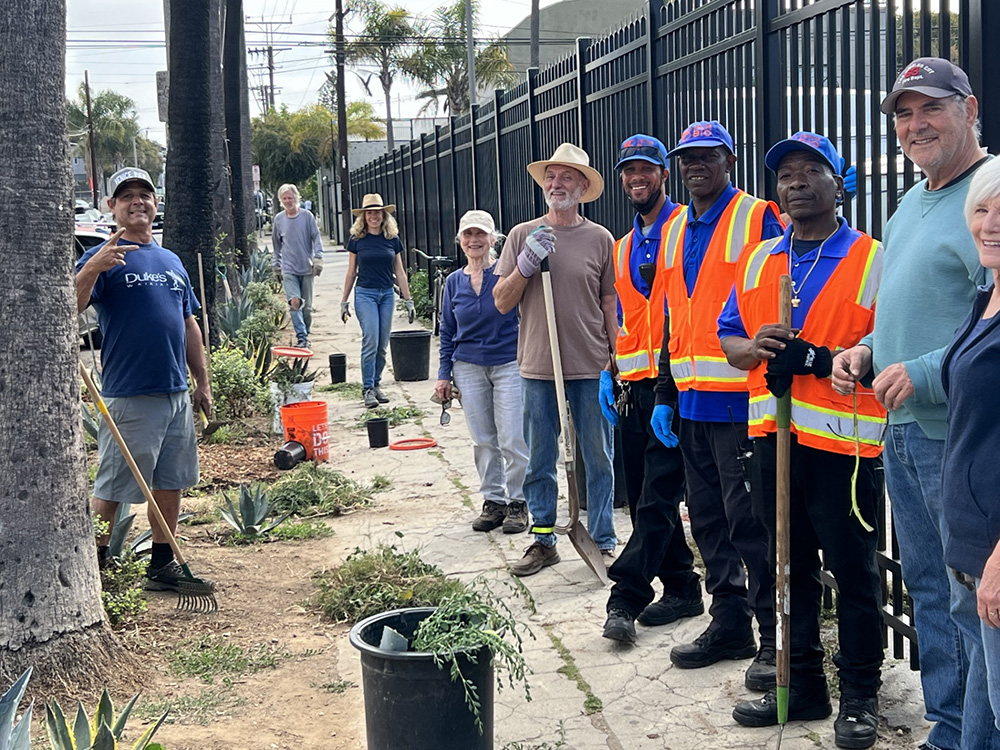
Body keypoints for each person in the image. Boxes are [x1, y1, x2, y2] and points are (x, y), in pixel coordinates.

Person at [831, 57, 1000, 750]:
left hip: (955, 434)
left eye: (930, 106)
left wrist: (923, 371)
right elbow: (910, 312)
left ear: (970, 108)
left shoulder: (990, 194)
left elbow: (990, 320)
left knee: (970, 603)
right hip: (900, 428)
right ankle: (951, 725)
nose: (914, 124)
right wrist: (868, 350)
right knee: (930, 592)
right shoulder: (911, 202)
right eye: (903, 112)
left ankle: (972, 736)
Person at [719, 132, 886, 749]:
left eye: (810, 170)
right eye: (785, 173)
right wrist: (755, 347)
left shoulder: (872, 258)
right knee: (786, 564)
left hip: (844, 451)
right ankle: (805, 684)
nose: (795, 182)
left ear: (837, 182)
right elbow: (729, 339)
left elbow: (884, 348)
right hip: (772, 439)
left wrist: (819, 358)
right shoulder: (762, 259)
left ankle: (861, 694)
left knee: (854, 570)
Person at [651, 121, 783, 689]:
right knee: (707, 521)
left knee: (749, 523)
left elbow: (785, 285)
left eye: (707, 156)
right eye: (687, 158)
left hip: (742, 400)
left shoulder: (757, 217)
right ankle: (728, 621)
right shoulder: (677, 223)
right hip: (692, 401)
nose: (695, 166)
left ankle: (773, 638)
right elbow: (672, 311)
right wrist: (663, 388)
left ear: (729, 159)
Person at [75, 167, 211, 590]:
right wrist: (93, 267)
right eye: (127, 195)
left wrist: (201, 381)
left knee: (171, 482)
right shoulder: (104, 256)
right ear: (112, 207)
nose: (138, 201)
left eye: (144, 194)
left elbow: (188, 323)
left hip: (174, 391)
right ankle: (92, 576)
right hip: (130, 395)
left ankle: (162, 566)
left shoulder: (170, 260)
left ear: (155, 204)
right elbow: (70, 307)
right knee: (113, 488)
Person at [493, 142, 618, 576]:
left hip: (589, 363)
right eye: (551, 176)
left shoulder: (601, 239)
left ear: (583, 187)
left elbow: (608, 302)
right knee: (541, 455)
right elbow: (502, 301)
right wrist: (527, 263)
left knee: (598, 455)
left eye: (567, 177)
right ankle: (543, 538)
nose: (556, 183)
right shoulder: (521, 235)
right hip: (537, 365)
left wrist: (615, 357)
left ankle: (602, 539)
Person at [600, 135, 702, 645]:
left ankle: (626, 596)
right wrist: (608, 368)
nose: (636, 178)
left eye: (646, 169)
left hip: (678, 384)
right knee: (646, 492)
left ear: (664, 173)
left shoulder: (689, 227)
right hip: (634, 386)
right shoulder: (622, 246)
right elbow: (623, 317)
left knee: (657, 496)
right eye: (628, 171)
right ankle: (683, 585)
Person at [941, 156, 1000, 737]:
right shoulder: (985, 298)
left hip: (995, 555)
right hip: (970, 545)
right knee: (982, 717)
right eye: (982, 209)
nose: (991, 224)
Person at [436, 210, 529, 535]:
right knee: (483, 440)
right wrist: (443, 373)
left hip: (508, 364)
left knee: (513, 437)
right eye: (468, 235)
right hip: (468, 367)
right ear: (460, 240)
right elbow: (446, 330)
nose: (474, 241)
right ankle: (494, 501)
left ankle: (518, 502)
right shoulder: (453, 282)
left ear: (494, 239)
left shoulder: (506, 276)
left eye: (481, 235)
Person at [340, 193, 415, 409]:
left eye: (377, 213)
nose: (373, 216)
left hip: (386, 294)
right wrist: (344, 301)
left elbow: (399, 271)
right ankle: (367, 389)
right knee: (371, 338)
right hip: (365, 293)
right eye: (369, 213)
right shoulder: (357, 240)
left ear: (384, 215)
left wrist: (408, 299)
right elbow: (351, 272)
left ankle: (376, 384)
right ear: (364, 217)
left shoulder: (392, 239)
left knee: (382, 344)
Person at [272, 183, 323, 348]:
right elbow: (276, 245)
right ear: (281, 200)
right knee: (295, 303)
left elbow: (316, 238)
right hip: (288, 268)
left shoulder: (307, 217)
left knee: (307, 308)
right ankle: (301, 337)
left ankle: (305, 335)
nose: (288, 201)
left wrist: (318, 258)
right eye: (284, 198)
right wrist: (276, 265)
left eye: (290, 198)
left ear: (296, 198)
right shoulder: (279, 220)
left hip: (306, 268)